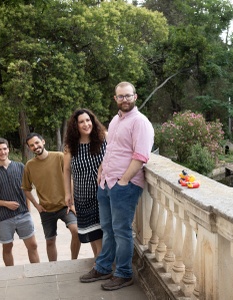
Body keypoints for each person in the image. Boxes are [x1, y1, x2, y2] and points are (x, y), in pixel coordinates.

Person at [80, 81, 154, 291]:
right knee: (108, 229)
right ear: (115, 99)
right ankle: (103, 267)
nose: (124, 100)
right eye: (120, 96)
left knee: (121, 231)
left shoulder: (140, 122)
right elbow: (111, 149)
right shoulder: (115, 120)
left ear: (135, 97)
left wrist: (123, 181)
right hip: (106, 183)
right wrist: (101, 170)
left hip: (125, 185)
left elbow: (141, 156)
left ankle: (123, 273)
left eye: (128, 96)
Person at [22, 132, 81, 261]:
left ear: (43, 142)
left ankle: (73, 261)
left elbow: (71, 178)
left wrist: (72, 202)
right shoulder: (29, 166)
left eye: (37, 143)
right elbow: (26, 189)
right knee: (50, 242)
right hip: (46, 210)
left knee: (76, 231)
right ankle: (52, 267)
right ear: (29, 148)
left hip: (65, 206)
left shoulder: (59, 157)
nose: (35, 146)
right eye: (31, 145)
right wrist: (37, 206)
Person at [0, 137, 40, 266]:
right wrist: (5, 204)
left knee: (33, 245)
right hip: (4, 218)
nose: (2, 152)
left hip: (23, 214)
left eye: (4, 149)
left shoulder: (20, 167)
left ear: (8, 149)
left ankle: (37, 273)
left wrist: (28, 211)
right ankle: (11, 275)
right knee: (7, 248)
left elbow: (27, 190)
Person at [63, 108, 107, 257]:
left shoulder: (104, 139)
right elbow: (66, 170)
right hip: (82, 197)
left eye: (88, 120)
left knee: (100, 233)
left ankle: (100, 265)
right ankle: (98, 260)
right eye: (81, 122)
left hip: (101, 195)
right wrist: (68, 193)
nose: (86, 124)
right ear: (75, 125)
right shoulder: (71, 146)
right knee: (92, 234)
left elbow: (114, 157)